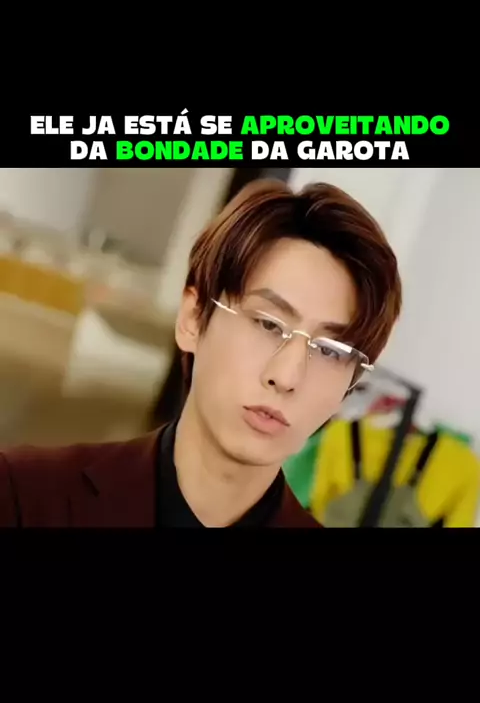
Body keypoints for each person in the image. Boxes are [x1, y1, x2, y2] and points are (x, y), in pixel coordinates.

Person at [0, 178, 402, 528]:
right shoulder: (26, 497)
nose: (287, 376)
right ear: (193, 318)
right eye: (268, 324)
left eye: (330, 351)